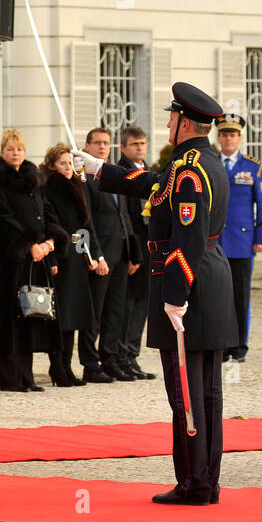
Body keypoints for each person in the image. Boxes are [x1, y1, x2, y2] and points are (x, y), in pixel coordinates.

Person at [74, 83, 237, 505]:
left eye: (171, 117)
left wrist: (175, 295)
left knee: (187, 391)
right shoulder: (198, 161)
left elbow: (188, 237)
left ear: (186, 122)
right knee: (205, 391)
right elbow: (151, 186)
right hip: (208, 281)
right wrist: (97, 167)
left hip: (190, 284)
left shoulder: (189, 169)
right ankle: (205, 480)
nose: (166, 122)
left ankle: (194, 484)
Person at [0, 129, 68, 392]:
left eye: (19, 149)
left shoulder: (34, 179)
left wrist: (49, 244)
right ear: (2, 151)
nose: (15, 153)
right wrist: (28, 245)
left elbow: (46, 215)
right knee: (11, 319)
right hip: (11, 259)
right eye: (10, 149)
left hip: (36, 258)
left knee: (31, 316)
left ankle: (27, 377)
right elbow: (1, 218)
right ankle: (10, 378)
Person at [81, 128, 142, 383]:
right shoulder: (85, 179)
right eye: (97, 143)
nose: (102, 147)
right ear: (87, 146)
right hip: (101, 254)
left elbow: (125, 216)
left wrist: (133, 252)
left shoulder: (114, 176)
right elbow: (87, 220)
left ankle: (110, 357)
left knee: (116, 310)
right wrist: (95, 255)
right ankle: (89, 363)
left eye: (106, 143)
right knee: (94, 312)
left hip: (120, 252)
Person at [40, 143, 96, 387]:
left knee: (74, 314)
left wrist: (89, 255)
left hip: (76, 253)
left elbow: (82, 224)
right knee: (61, 315)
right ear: (53, 165)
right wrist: (53, 257)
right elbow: (50, 223)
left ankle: (68, 365)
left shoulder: (76, 185)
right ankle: (58, 367)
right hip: (61, 255)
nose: (68, 167)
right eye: (62, 163)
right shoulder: (50, 187)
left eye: (70, 163)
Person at [215, 113, 262, 363]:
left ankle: (239, 346)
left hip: (242, 242)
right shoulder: (211, 163)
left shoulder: (252, 167)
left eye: (232, 134)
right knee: (216, 294)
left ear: (239, 138)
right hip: (214, 242)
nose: (228, 138)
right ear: (219, 137)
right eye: (224, 134)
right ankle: (220, 344)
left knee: (240, 296)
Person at [116, 126, 157, 380]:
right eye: (134, 144)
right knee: (127, 303)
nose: (140, 147)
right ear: (123, 148)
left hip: (149, 245)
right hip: (133, 246)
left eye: (142, 143)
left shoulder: (149, 171)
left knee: (142, 303)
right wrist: (134, 251)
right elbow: (125, 216)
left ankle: (132, 354)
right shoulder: (121, 173)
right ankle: (120, 354)